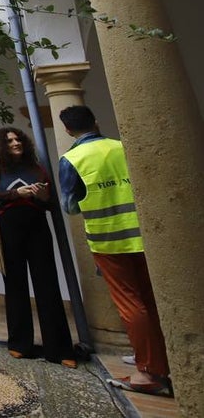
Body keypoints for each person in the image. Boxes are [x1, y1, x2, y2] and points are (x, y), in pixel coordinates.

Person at [58, 106, 171, 397]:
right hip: (146, 236)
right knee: (150, 299)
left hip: (109, 239)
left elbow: (70, 205)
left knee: (131, 304)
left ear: (68, 131)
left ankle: (148, 371)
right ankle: (158, 356)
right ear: (96, 122)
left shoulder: (72, 159)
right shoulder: (123, 146)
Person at [0, 127, 75, 367]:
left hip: (37, 225)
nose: (15, 143)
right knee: (15, 283)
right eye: (9, 140)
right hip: (8, 226)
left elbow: (51, 201)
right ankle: (20, 343)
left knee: (48, 284)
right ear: (1, 145)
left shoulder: (36, 168)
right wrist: (15, 193)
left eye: (18, 139)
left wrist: (41, 196)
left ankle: (59, 349)